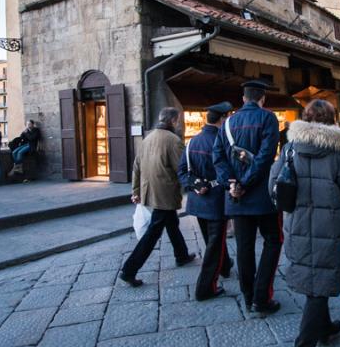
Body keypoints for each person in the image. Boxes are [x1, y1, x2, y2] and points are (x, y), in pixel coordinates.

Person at [270, 100, 340, 347]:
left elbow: (272, 187)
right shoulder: (338, 151)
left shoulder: (289, 149)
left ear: (306, 118)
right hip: (329, 226)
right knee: (318, 288)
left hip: (297, 225)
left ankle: (325, 328)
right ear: (331, 120)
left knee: (315, 280)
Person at [213, 80, 282, 314]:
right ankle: (262, 296)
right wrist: (245, 182)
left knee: (244, 248)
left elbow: (218, 158)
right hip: (262, 196)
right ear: (263, 98)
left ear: (243, 99)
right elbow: (265, 157)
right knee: (273, 241)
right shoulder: (268, 118)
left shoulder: (228, 122)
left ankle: (248, 296)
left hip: (237, 198)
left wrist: (231, 183)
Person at [120, 108, 195, 287]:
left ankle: (181, 255)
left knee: (172, 224)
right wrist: (194, 185)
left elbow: (136, 167)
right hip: (165, 193)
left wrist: (136, 190)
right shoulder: (173, 140)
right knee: (153, 232)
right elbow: (182, 168)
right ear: (174, 121)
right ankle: (129, 270)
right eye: (177, 121)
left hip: (150, 190)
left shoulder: (147, 139)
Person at [178, 102, 235, 301]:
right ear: (223, 119)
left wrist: (194, 184)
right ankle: (205, 288)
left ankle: (226, 266)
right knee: (214, 246)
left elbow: (182, 172)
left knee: (212, 241)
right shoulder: (223, 142)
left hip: (197, 201)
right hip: (216, 202)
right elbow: (228, 173)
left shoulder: (192, 141)